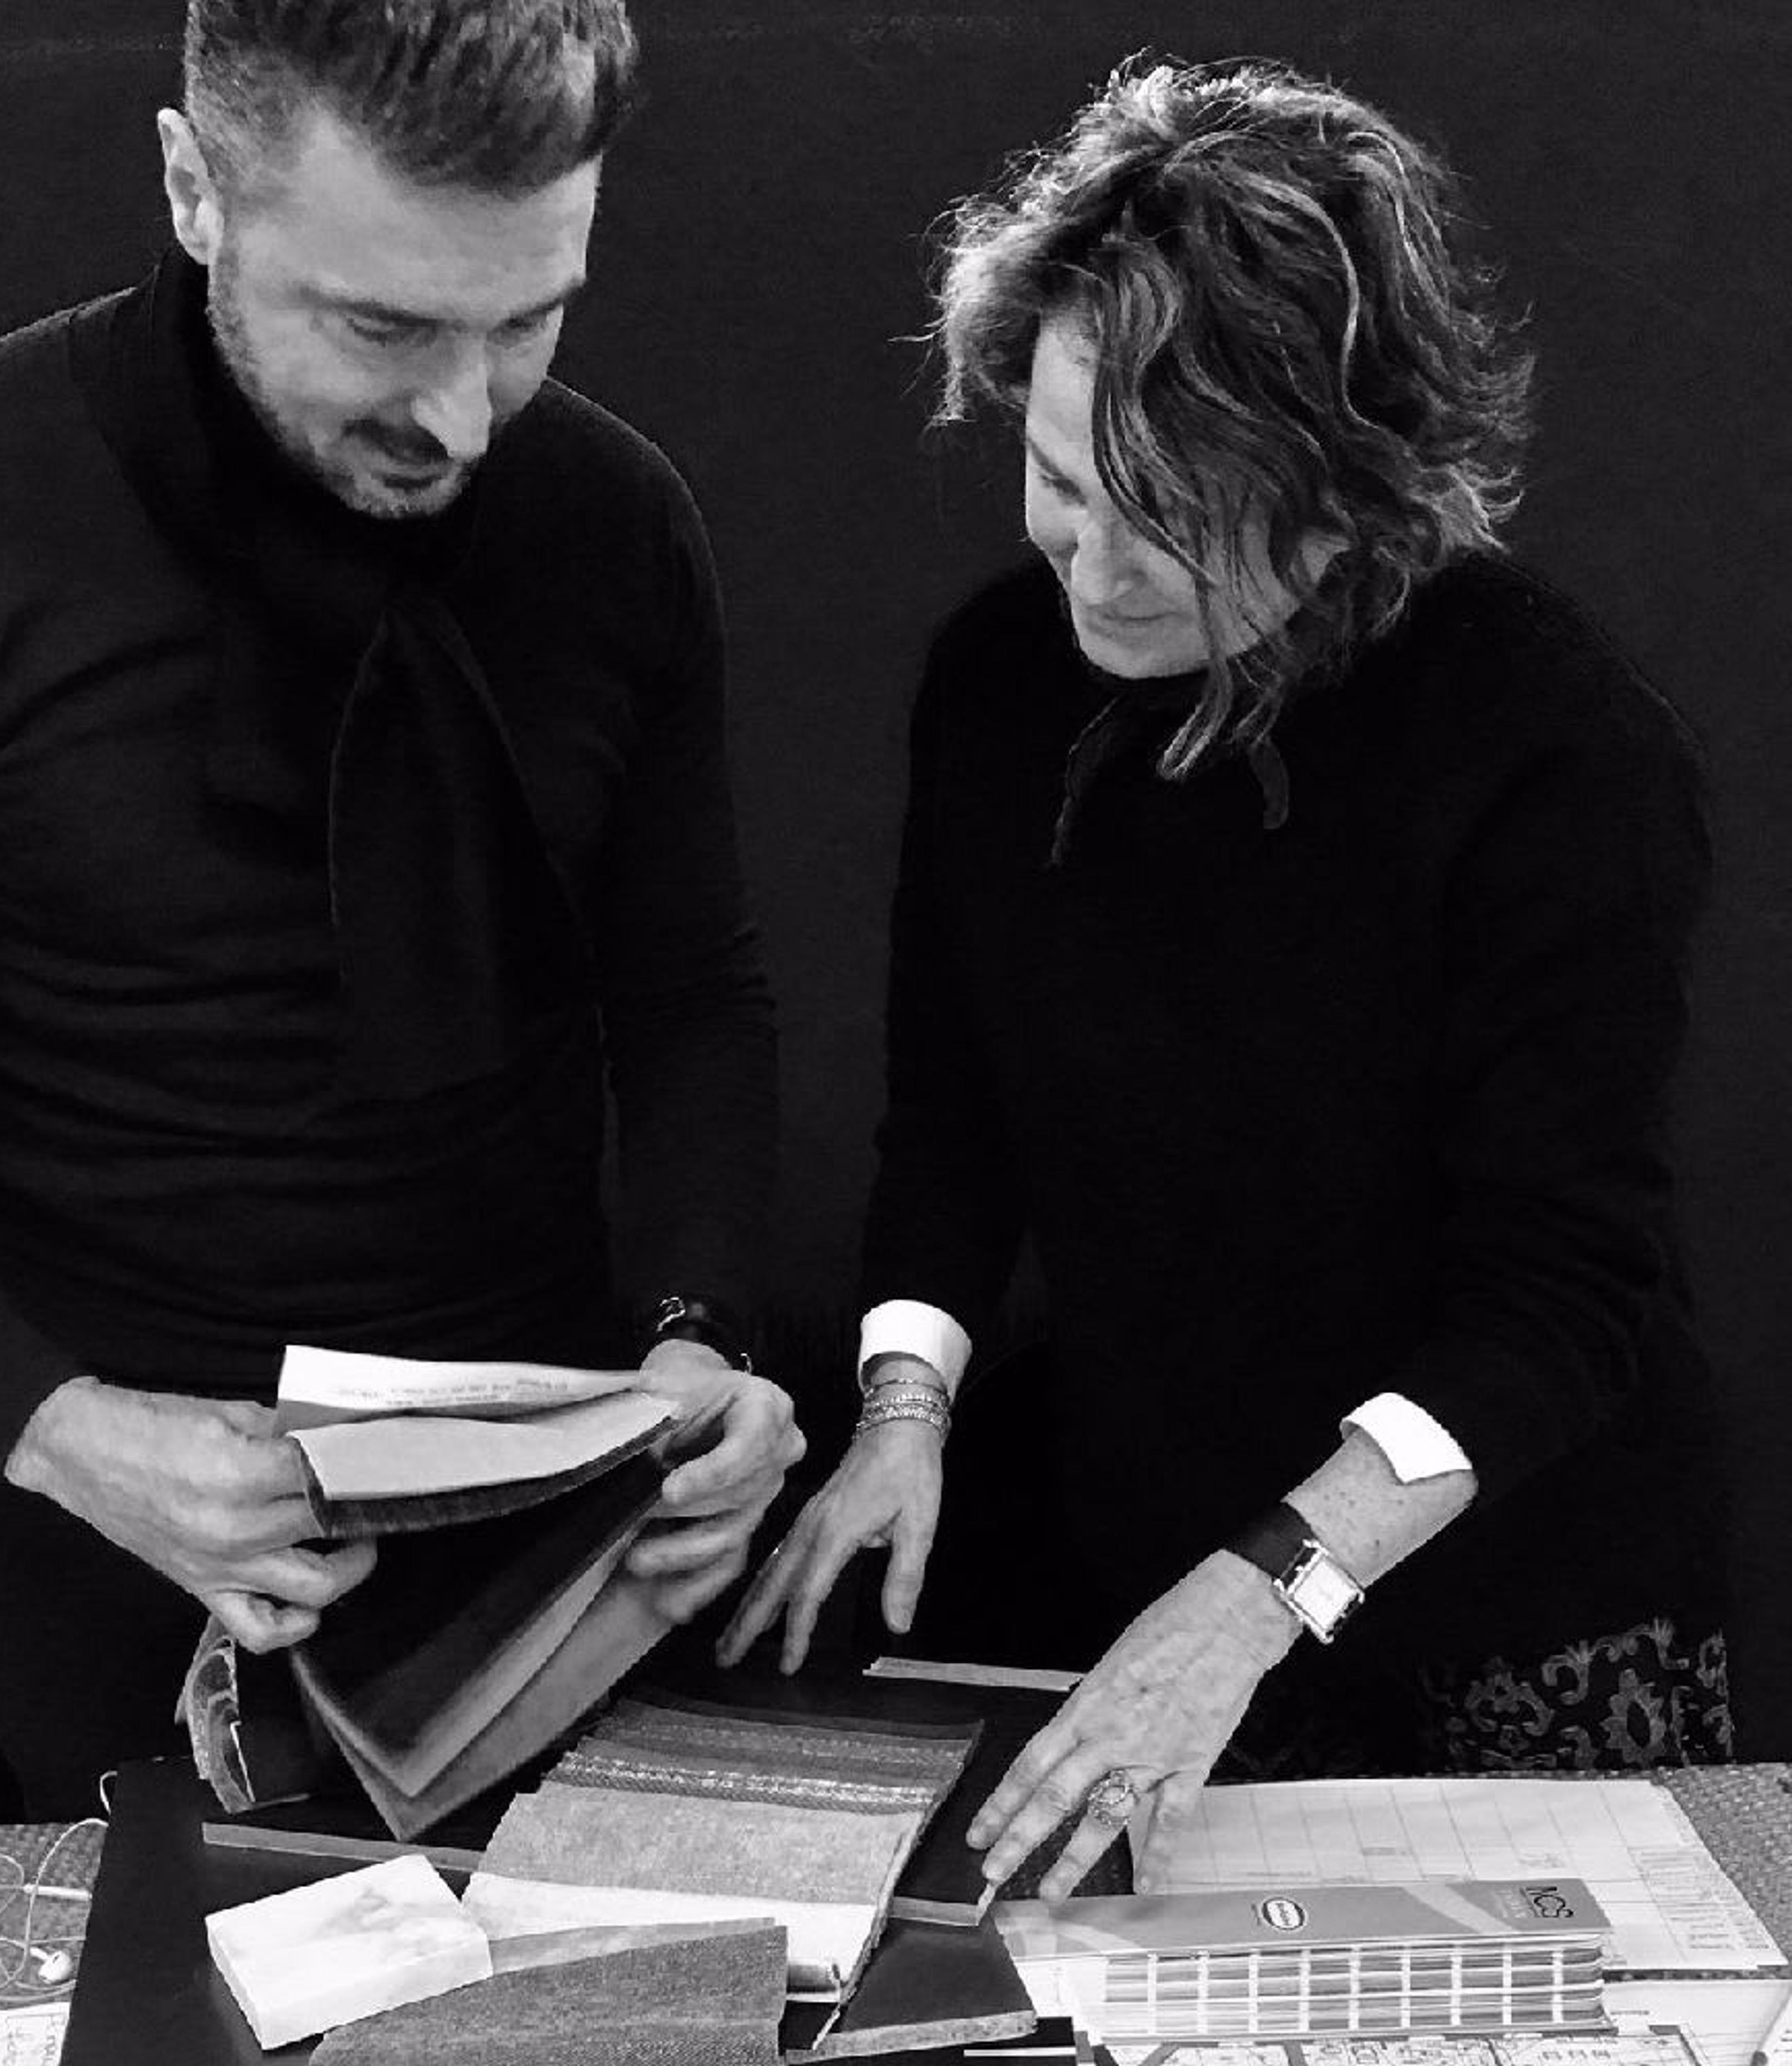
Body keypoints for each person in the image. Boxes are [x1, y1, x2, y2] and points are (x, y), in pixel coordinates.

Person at [0, 0, 802, 1815]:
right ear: (192, 190)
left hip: (567, 1544)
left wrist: (705, 1342)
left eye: (527, 320)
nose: (463, 417)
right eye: (383, 326)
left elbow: (693, 992)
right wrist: (63, 1433)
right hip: (122, 1534)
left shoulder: (614, 518)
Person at [722, 57, 1730, 1894]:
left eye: (1174, 517)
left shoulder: (1557, 750)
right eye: (1058, 482)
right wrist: (902, 1414)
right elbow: (954, 1117)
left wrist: (1271, 1582)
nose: (1093, 572)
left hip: (1513, 1599)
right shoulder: (995, 683)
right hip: (1157, 1567)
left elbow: (1561, 1301)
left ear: (1350, 495)